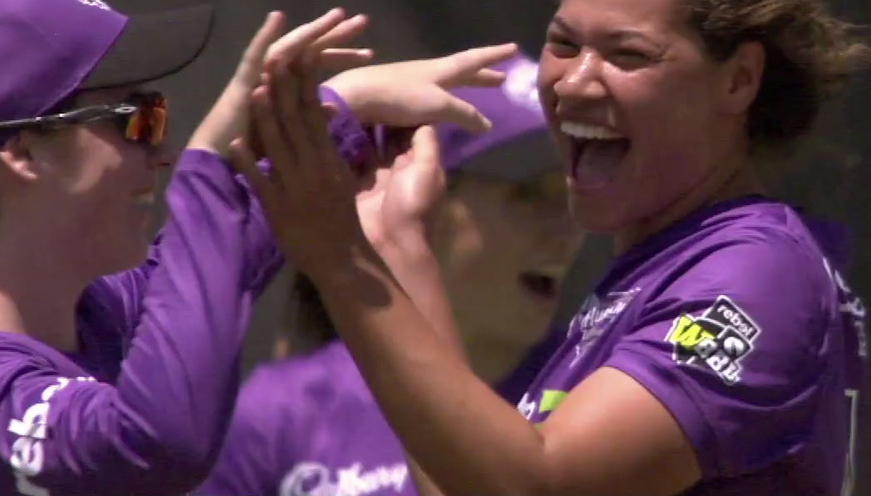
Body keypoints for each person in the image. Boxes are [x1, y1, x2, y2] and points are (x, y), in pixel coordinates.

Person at [232, 0, 871, 494]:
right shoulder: (647, 279)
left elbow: (540, 488)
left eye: (627, 55)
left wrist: (346, 262)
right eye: (564, 44)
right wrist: (395, 246)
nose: (573, 84)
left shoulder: (755, 271)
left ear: (738, 80)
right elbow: (466, 484)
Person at [0, 0, 515, 496]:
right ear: (20, 151)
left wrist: (350, 106)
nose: (163, 149)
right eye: (135, 119)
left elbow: (226, 239)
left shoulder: (95, 311)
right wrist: (209, 160)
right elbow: (155, 442)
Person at [197, 54, 585, 496]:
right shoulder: (282, 412)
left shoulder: (604, 395)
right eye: (528, 194)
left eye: (569, 192)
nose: (568, 230)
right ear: (421, 192)